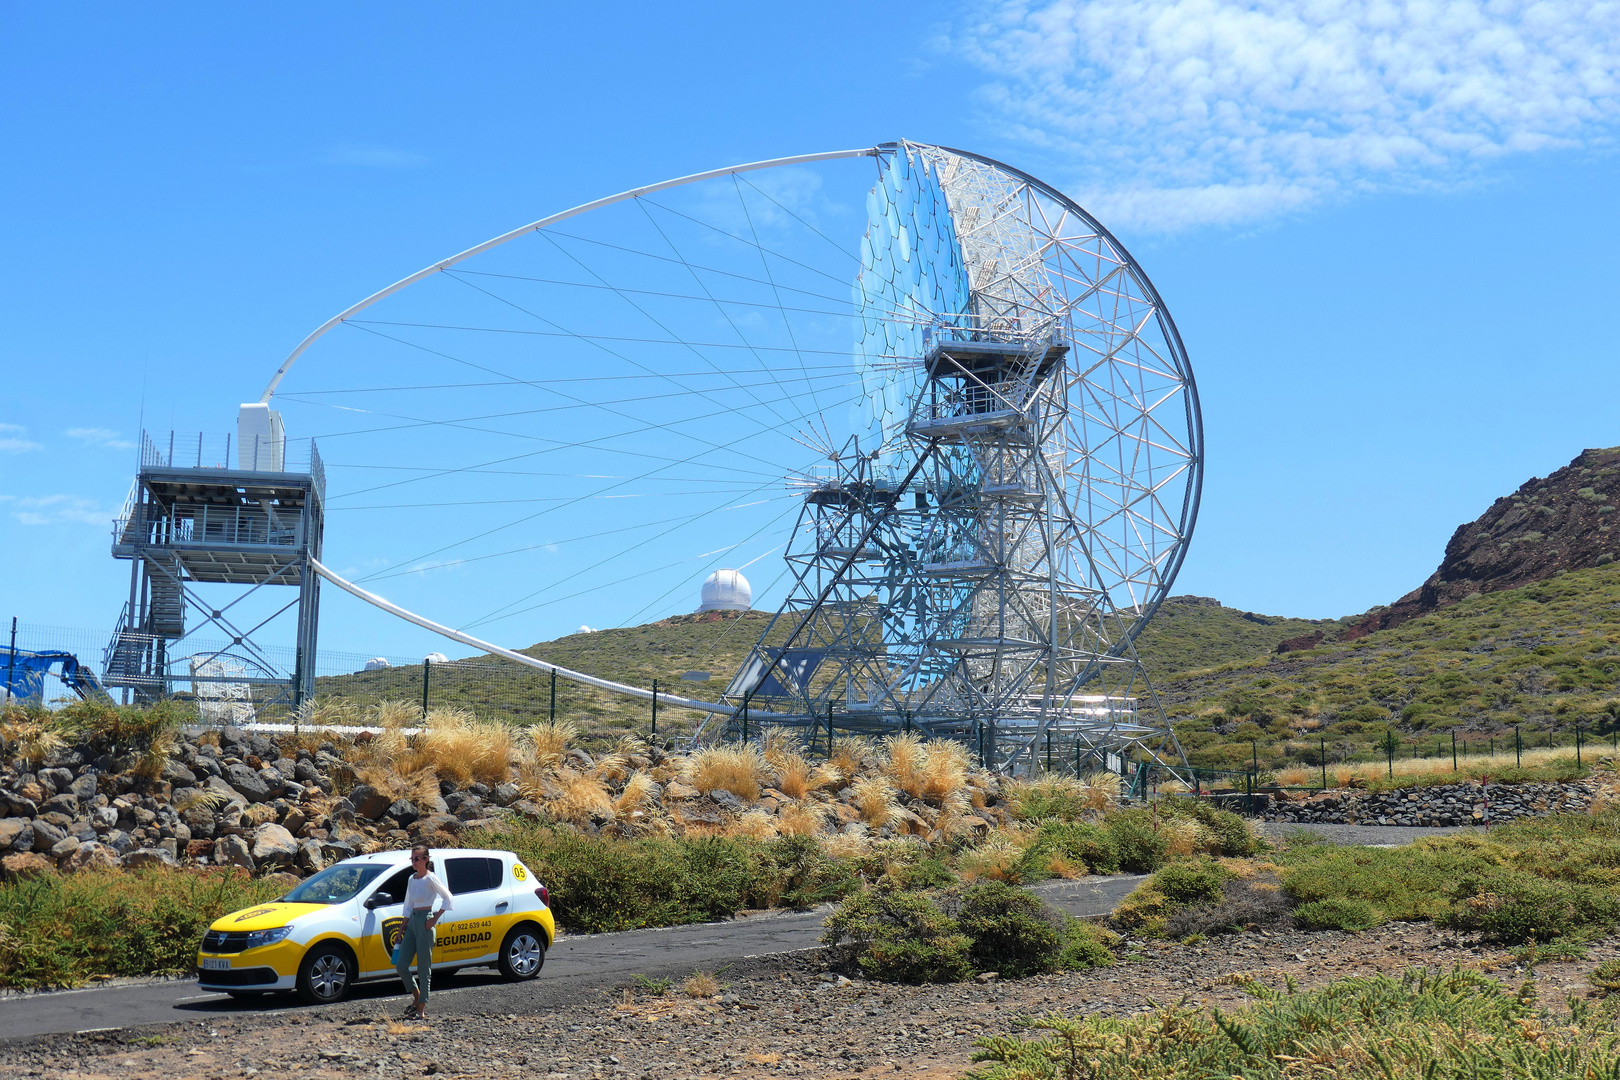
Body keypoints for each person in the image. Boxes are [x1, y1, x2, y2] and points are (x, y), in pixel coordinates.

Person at [395, 844, 452, 1020]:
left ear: (426, 860)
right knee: (401, 965)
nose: (414, 861)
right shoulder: (412, 879)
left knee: (423, 967)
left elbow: (448, 898)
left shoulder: (431, 879)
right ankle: (417, 997)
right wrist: (402, 928)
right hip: (412, 921)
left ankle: (421, 1008)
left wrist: (434, 918)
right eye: (412, 858)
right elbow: (407, 905)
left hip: (425, 920)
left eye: (417, 858)